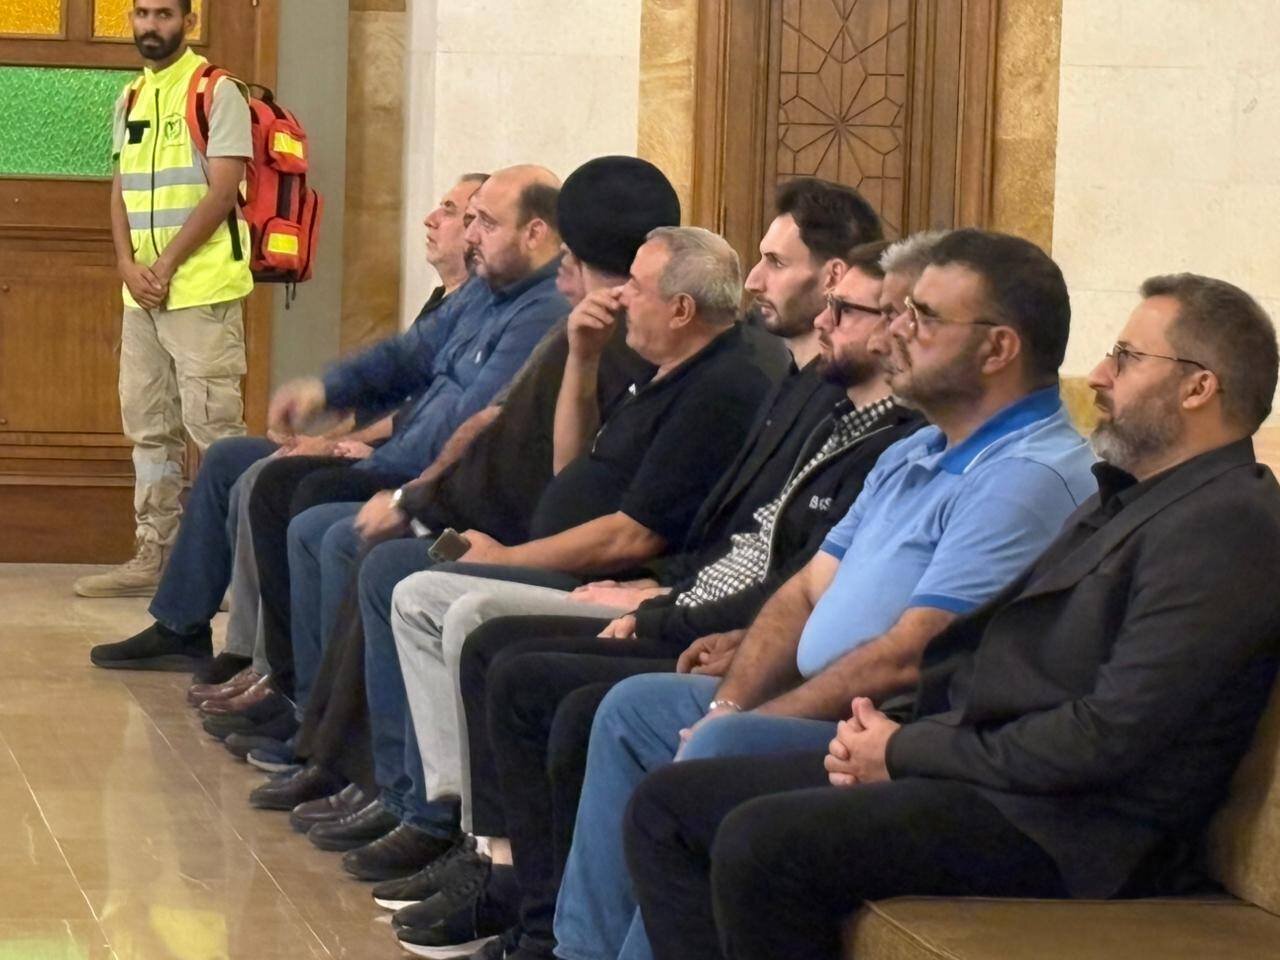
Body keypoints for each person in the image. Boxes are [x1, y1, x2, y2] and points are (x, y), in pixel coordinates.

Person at [624, 273, 1280, 960]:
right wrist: (893, 731)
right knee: (672, 805)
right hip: (1006, 783)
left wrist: (904, 751)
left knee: (760, 842)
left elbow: (1109, 735)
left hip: (1080, 830)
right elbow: (992, 650)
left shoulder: (1226, 524)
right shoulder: (1133, 497)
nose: (1098, 376)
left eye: (1126, 357)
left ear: (1198, 387)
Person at [552, 229, 1101, 960]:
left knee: (707, 760)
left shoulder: (1025, 476)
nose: (897, 332)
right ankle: (581, 952)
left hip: (889, 725)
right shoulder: (916, 446)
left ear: (998, 348)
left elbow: (912, 656)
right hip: (819, 693)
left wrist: (746, 722)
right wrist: (730, 702)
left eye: (924, 317)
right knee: (633, 711)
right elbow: (805, 590)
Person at [385, 237, 927, 959]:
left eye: (856, 309)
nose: (826, 318)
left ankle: (535, 913)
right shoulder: (826, 411)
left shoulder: (754, 389)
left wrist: (668, 614)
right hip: (705, 609)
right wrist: (581, 361)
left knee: (531, 669)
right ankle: (512, 886)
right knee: (485, 637)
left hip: (778, 658)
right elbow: (776, 567)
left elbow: (837, 607)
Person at [319, 226, 783, 894]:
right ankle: (449, 817)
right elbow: (572, 469)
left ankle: (462, 831)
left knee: (442, 602)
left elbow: (633, 537)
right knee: (400, 575)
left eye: (637, 288)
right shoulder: (656, 368)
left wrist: (509, 556)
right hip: (566, 553)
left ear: (682, 309)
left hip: (608, 577)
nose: (621, 299)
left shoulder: (722, 386)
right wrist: (583, 360)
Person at [86, 169, 556, 675]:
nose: (466, 232)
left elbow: (471, 420)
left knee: (288, 490)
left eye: (481, 221)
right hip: (399, 461)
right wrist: (324, 391)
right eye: (467, 218)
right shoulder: (480, 295)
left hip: (433, 481)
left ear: (534, 233)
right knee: (246, 468)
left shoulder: (540, 311)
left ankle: (284, 680)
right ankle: (241, 656)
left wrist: (387, 479)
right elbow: (403, 360)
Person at [184, 175, 488, 706]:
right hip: (391, 454)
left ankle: (292, 687)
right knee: (236, 460)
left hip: (421, 474)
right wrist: (323, 409)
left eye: (458, 213)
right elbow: (393, 379)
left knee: (278, 485)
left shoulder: (520, 314)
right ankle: (221, 642)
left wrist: (351, 452)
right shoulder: (451, 305)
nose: (431, 219)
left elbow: (452, 416)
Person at [76, 0, 254, 599]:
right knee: (150, 430)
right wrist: (127, 266)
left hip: (202, 290)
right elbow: (120, 190)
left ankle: (237, 572)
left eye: (164, 15)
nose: (150, 26)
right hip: (143, 297)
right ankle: (154, 554)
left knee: (217, 432)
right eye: (141, 14)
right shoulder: (130, 97)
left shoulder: (217, 91)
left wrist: (166, 264)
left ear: (189, 22)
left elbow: (223, 191)